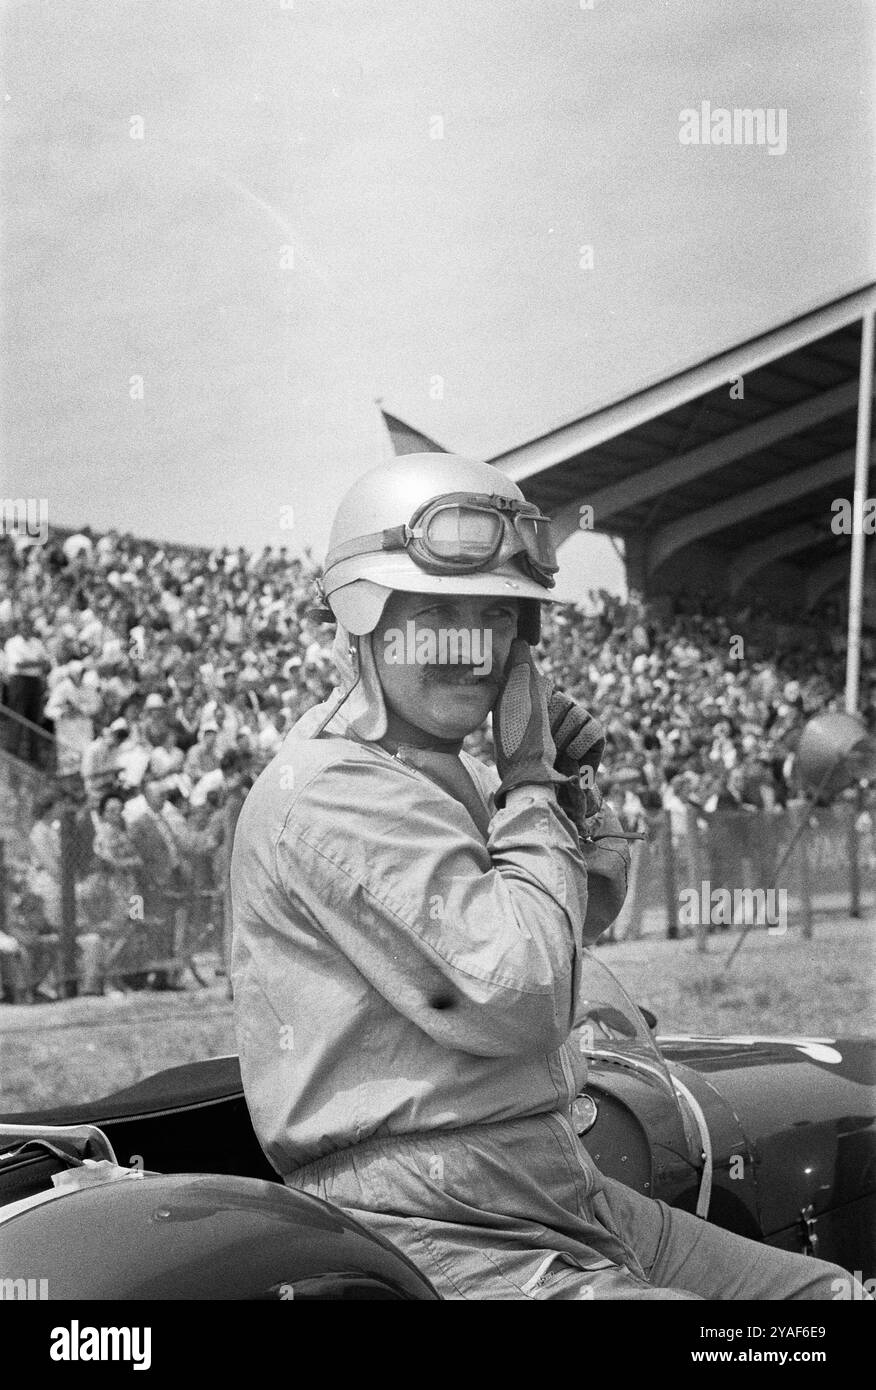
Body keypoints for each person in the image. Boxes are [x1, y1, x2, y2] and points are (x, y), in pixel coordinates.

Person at [231, 453, 863, 1301]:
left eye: (498, 615)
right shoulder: (333, 789)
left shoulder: (445, 772)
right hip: (431, 1218)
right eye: (438, 614)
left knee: (821, 1298)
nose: (473, 649)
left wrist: (568, 793)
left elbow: (578, 919)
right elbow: (522, 990)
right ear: (363, 613)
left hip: (549, 1180)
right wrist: (529, 783)